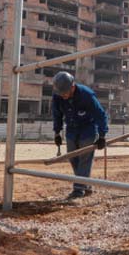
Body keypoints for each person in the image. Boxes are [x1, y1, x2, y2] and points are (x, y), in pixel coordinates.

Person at [51, 71, 109, 200]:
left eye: (65, 93)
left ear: (72, 86)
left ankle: (78, 190)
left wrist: (102, 135)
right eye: (61, 93)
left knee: (84, 159)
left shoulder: (86, 95)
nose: (63, 96)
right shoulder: (58, 96)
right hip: (71, 130)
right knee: (72, 157)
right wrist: (57, 132)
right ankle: (85, 184)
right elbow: (57, 115)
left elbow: (100, 115)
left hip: (87, 130)